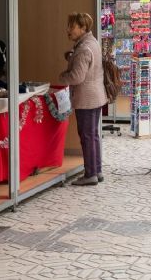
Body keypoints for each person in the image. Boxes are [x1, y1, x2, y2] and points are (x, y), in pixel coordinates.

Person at [59, 12, 107, 186]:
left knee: (87, 136)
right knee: (93, 135)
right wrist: (72, 58)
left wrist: (63, 77)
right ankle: (96, 170)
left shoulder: (83, 48)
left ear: (83, 28)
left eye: (72, 27)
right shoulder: (91, 43)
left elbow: (77, 77)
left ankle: (90, 174)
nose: (68, 30)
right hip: (96, 96)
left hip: (86, 98)